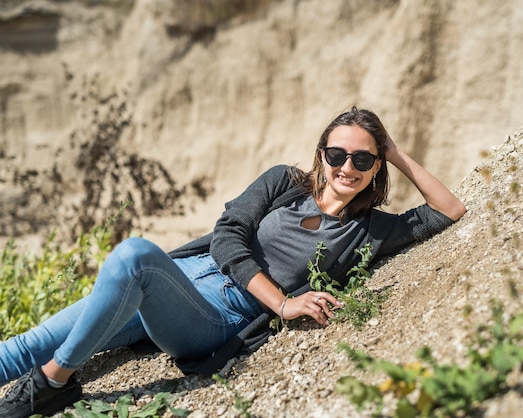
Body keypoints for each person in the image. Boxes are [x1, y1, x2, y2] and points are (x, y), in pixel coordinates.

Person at [0, 106, 466, 417]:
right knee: (26, 345)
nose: (348, 167)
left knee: (135, 254)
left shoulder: (369, 230)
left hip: (214, 315)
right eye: (338, 154)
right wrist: (282, 304)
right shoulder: (284, 181)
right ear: (322, 155)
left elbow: (449, 210)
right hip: (179, 276)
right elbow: (227, 236)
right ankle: (49, 374)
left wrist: (396, 152)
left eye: (363, 158)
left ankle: (54, 382)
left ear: (375, 166)